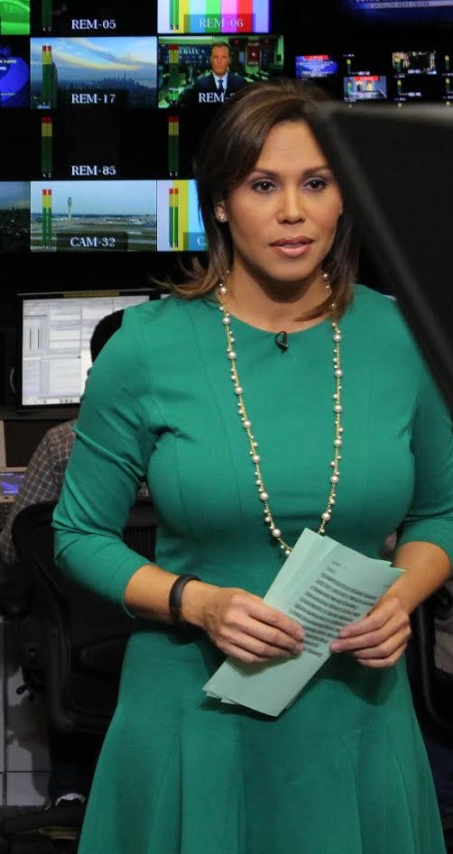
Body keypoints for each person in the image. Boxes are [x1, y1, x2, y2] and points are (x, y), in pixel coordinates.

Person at [52, 78, 453, 854]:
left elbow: (442, 510)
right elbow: (76, 535)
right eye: (264, 185)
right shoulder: (144, 346)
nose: (293, 211)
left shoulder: (408, 337)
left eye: (316, 183)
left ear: (346, 199)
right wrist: (195, 603)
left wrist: (404, 595)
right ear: (222, 204)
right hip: (192, 710)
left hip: (356, 711)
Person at [0, 309, 125, 812]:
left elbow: (13, 545)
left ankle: (70, 790)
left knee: (73, 632)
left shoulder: (62, 442)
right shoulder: (194, 452)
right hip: (176, 637)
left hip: (82, 641)